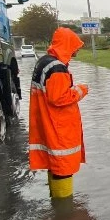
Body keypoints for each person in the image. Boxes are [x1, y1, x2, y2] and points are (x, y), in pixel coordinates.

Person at [29, 27, 88, 198]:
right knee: (63, 167)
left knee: (55, 165)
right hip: (59, 128)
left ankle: (57, 202)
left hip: (48, 124)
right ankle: (65, 210)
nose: (77, 50)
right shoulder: (57, 68)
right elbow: (59, 98)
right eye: (75, 46)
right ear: (67, 45)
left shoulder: (44, 62)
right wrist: (81, 90)